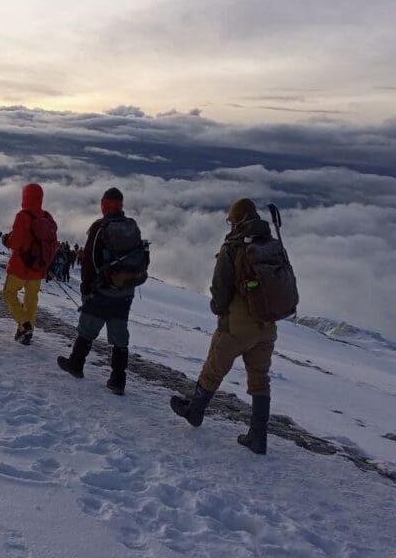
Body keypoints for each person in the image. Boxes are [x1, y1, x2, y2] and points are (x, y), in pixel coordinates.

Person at [169, 198, 277, 454]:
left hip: (236, 326)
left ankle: (195, 411)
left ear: (236, 220)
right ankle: (258, 437)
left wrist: (219, 309)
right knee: (260, 379)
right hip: (267, 326)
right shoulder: (272, 245)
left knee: (213, 369)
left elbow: (220, 289)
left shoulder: (233, 247)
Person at [57, 188, 144, 395]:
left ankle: (76, 364)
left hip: (102, 291)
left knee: (87, 329)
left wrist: (86, 288)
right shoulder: (132, 226)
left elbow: (89, 261)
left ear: (104, 205)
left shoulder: (99, 227)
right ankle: (118, 380)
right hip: (125, 291)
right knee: (119, 336)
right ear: (121, 205)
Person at [1, 183, 58, 345]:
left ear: (25, 197)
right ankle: (26, 332)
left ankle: (24, 324)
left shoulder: (23, 216)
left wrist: (6, 240)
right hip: (38, 268)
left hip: (20, 266)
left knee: (9, 293)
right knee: (31, 299)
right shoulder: (47, 217)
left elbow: (15, 243)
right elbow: (53, 244)